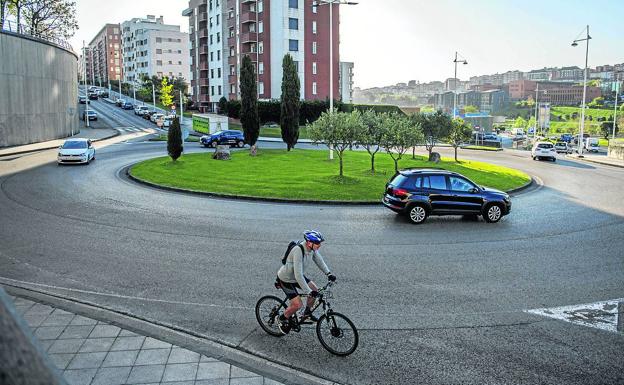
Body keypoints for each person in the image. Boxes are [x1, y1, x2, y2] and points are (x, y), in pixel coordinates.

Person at [276, 230, 336, 334]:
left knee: (314, 289)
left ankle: (306, 314)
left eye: (320, 243)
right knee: (297, 305)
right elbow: (298, 274)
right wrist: (308, 291)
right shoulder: (298, 250)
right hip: (286, 279)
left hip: (296, 277)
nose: (319, 245)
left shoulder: (312, 249)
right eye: (317, 243)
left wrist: (329, 274)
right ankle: (281, 318)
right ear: (309, 242)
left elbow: (319, 261)